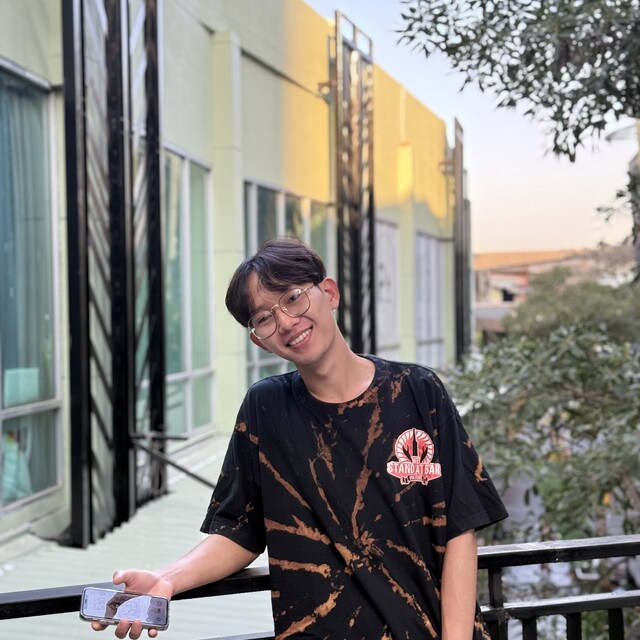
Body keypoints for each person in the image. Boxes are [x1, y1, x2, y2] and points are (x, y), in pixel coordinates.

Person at [92, 237, 508, 640]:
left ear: (330, 292)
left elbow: (459, 529)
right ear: (259, 340)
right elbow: (238, 532)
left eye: (293, 297)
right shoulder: (265, 409)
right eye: (264, 318)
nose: (287, 322)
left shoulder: (417, 391)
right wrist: (165, 579)